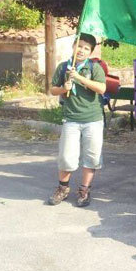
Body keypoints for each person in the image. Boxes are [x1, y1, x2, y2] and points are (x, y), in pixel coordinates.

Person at [48, 33, 106, 207]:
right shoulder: (63, 67)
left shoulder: (94, 68)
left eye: (86, 48)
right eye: (79, 46)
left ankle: (84, 190)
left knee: (92, 157)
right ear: (73, 46)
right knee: (66, 156)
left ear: (90, 52)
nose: (81, 50)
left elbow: (102, 88)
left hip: (93, 119)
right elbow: (52, 90)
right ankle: (63, 188)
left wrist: (79, 78)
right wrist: (62, 88)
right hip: (71, 118)